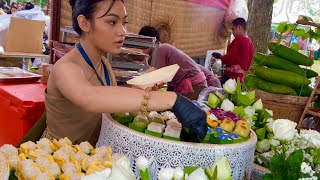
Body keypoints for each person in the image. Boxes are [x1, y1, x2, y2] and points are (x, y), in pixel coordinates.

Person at [19, 0, 207, 146]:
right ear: (84, 23)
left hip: (92, 156)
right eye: (112, 22)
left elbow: (109, 104)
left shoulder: (103, 63)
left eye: (124, 23)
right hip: (58, 161)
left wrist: (144, 88)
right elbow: (90, 98)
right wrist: (172, 100)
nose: (122, 31)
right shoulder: (66, 68)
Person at [138, 26, 221, 100]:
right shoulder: (160, 51)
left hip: (193, 86)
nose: (142, 49)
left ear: (153, 41)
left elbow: (157, 77)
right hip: (195, 84)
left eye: (143, 45)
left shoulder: (160, 49)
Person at [211, 18, 254, 82]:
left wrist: (220, 57)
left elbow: (230, 58)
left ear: (239, 27)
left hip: (231, 76)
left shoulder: (239, 40)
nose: (232, 33)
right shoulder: (250, 43)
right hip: (240, 77)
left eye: (233, 29)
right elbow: (248, 64)